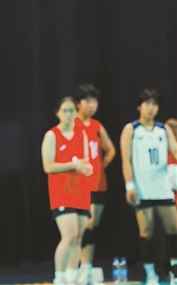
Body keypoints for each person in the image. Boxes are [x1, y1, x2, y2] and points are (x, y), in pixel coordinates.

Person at [120, 89, 177, 285]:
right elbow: (126, 160)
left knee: (174, 228)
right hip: (142, 189)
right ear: (139, 106)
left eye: (154, 104)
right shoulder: (131, 129)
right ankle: (150, 273)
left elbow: (175, 150)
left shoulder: (163, 129)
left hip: (163, 187)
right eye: (147, 104)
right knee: (146, 232)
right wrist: (130, 186)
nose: (151, 108)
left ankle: (174, 271)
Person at [42, 96, 94, 285]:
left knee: (79, 237)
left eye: (72, 110)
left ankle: (72, 276)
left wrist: (86, 167)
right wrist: (73, 164)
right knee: (69, 235)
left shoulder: (82, 134)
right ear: (58, 113)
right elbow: (48, 166)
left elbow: (85, 161)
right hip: (61, 192)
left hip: (80, 191)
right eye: (65, 110)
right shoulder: (52, 135)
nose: (69, 114)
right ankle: (60, 277)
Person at [73, 84, 116, 285]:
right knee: (84, 226)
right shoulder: (72, 125)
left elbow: (110, 149)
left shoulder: (97, 126)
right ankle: (76, 267)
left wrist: (100, 165)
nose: (92, 105)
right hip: (79, 185)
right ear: (78, 103)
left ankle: (87, 268)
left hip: (98, 183)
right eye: (87, 101)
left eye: (94, 101)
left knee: (92, 228)